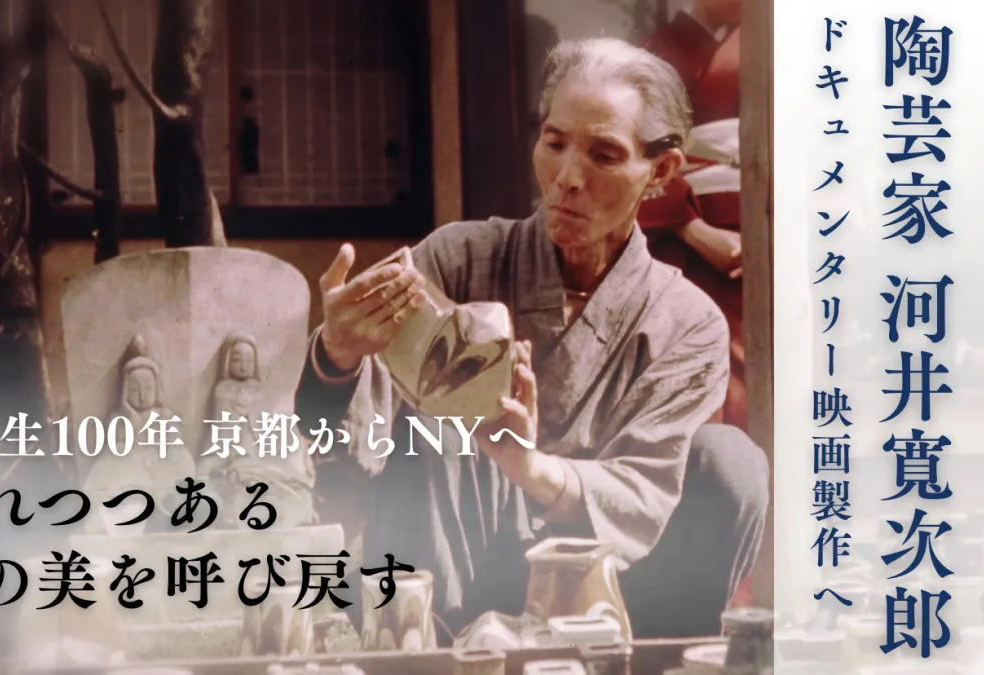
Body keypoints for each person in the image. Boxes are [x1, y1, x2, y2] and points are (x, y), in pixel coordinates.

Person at [296, 38, 768, 640]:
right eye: (554, 143)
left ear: (662, 170)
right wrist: (339, 356)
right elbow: (352, 445)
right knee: (439, 413)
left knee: (732, 462)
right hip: (454, 568)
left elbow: (645, 493)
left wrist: (529, 466)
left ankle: (657, 663)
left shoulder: (687, 321)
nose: (567, 177)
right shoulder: (458, 259)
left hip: (607, 584)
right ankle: (433, 649)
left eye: (603, 155)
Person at [639, 0, 746, 429]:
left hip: (767, 237)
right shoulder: (653, 57)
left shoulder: (782, 48)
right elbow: (634, 156)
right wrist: (692, 228)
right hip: (680, 238)